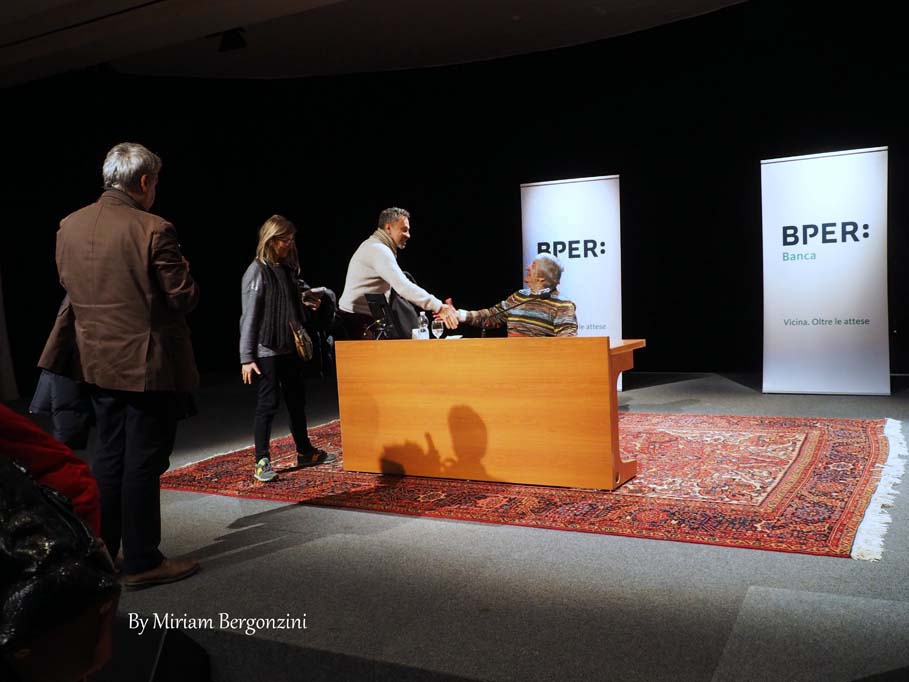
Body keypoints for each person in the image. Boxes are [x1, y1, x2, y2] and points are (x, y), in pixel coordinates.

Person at [51, 142, 200, 590]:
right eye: (155, 183)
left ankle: (105, 551)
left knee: (108, 457)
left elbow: (67, 284)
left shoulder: (69, 225)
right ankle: (142, 560)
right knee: (143, 462)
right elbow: (182, 297)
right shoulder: (154, 228)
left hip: (94, 362)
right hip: (146, 366)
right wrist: (186, 272)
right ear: (144, 182)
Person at [240, 215, 337, 483]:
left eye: (292, 240)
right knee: (268, 404)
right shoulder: (257, 271)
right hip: (267, 350)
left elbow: (297, 295)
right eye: (285, 240)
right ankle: (261, 460)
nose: (290, 245)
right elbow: (249, 317)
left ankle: (304, 451)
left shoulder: (286, 269)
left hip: (289, 347)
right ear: (271, 240)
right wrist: (247, 357)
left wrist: (316, 297)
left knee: (296, 402)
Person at [338, 207, 459, 339]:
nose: (408, 235)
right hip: (355, 323)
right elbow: (403, 286)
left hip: (361, 320)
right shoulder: (378, 250)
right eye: (404, 230)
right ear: (388, 228)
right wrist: (438, 306)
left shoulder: (375, 246)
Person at [449, 253, 578, 337]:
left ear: (541, 278)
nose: (528, 268)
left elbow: (567, 344)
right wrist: (460, 315)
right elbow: (491, 317)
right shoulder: (519, 297)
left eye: (533, 266)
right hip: (511, 361)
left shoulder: (563, 306)